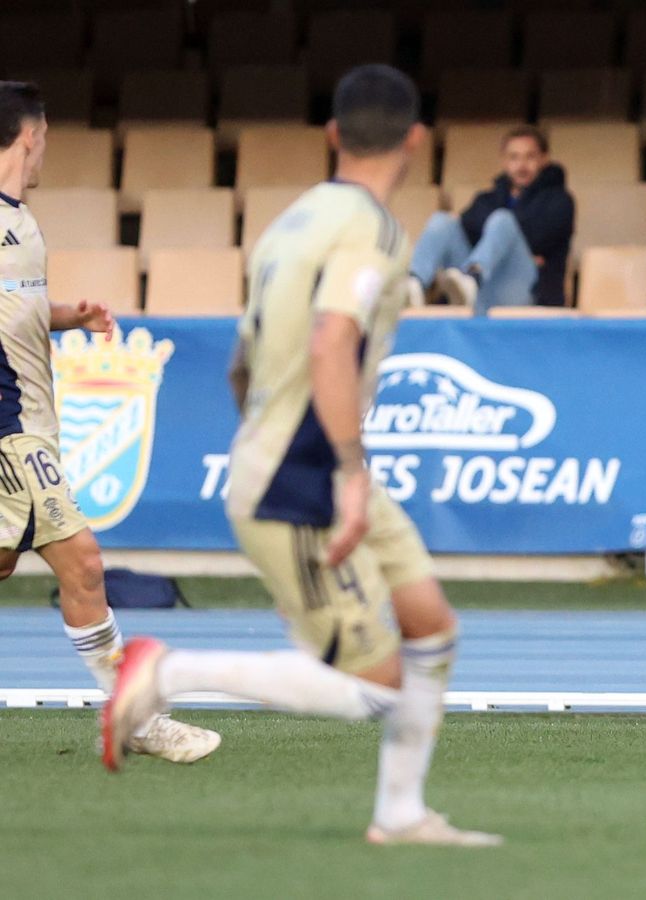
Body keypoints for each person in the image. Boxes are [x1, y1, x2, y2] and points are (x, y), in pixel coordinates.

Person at [102, 65, 500, 847]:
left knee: (430, 625)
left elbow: (241, 366)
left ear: (332, 135)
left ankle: (402, 814)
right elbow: (331, 339)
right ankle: (165, 671)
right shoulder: (376, 230)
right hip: (307, 476)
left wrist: (283, 446)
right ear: (417, 140)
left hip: (294, 460)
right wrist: (345, 473)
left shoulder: (290, 223)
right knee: (380, 688)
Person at [0, 81, 218, 764]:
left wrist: (70, 315)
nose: (43, 157)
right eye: (45, 143)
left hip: (31, 423)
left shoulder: (22, 223)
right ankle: (139, 717)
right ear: (31, 135)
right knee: (84, 563)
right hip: (11, 429)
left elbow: (17, 308)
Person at [409, 125, 573, 314]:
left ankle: (473, 276)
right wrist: (498, 234)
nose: (521, 165)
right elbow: (467, 226)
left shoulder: (560, 200)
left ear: (544, 159)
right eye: (514, 157)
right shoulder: (488, 198)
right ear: (504, 161)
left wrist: (502, 231)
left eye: (530, 157)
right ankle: (413, 284)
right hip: (482, 290)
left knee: (503, 220)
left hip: (524, 289)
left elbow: (538, 238)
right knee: (442, 221)